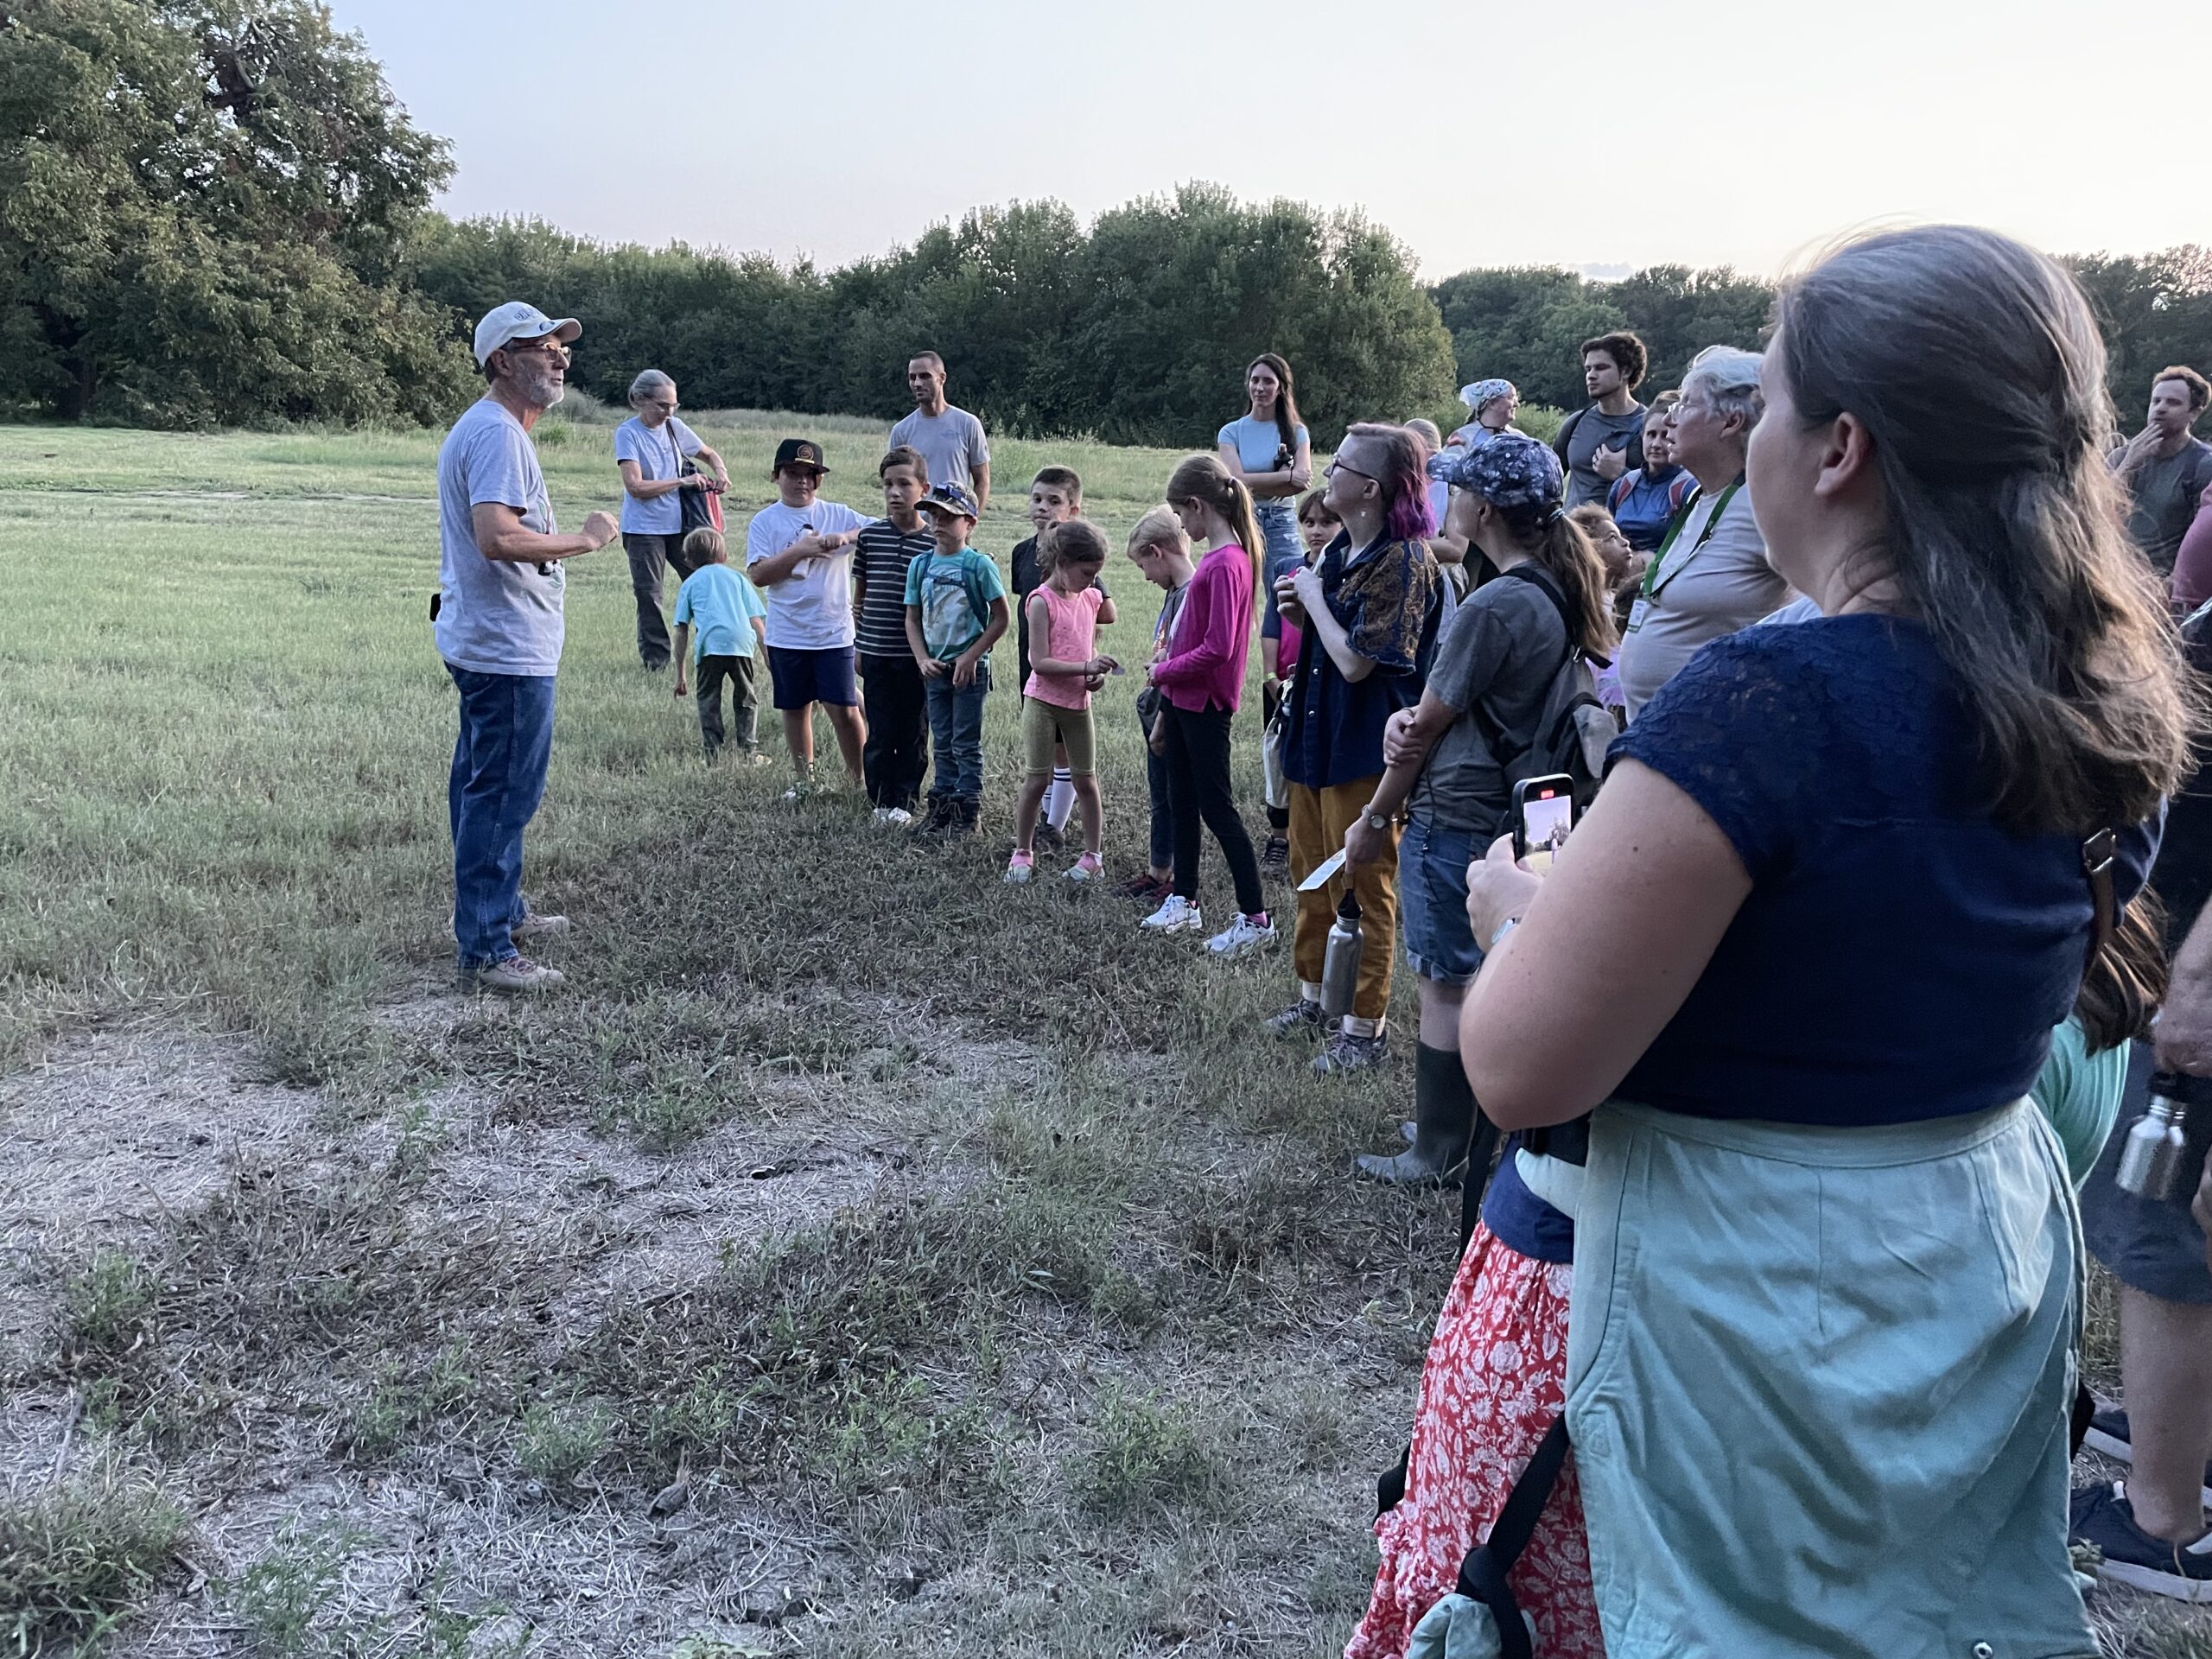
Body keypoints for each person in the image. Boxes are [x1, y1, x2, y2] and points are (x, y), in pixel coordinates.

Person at [1438, 224, 2183, 1656]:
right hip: (1962, 1283)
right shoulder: (2106, 695)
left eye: (1769, 399)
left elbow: (1524, 1072)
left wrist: (1519, 917)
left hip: (1713, 1313)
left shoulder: (1768, 705)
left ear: (1839, 448)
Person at [1344, 435, 1615, 1186]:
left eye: (1457, 490)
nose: (1447, 501)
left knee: (1445, 983)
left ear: (1484, 508)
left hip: (1459, 809)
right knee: (1485, 970)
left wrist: (1373, 818)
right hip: (1522, 808)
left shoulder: (1493, 604)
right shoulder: (1554, 590)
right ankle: (1458, 1124)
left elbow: (1425, 728)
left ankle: (1437, 1150)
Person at [2070, 597, 2212, 1599]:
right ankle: (2188, 1445)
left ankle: (2164, 1524)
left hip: (2198, 963)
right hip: (2185, 937)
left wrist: (2201, 976)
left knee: (2155, 1224)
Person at [434, 302, 617, 995]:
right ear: (502, 362)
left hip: (491, 640)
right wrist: (586, 539)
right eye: (541, 347)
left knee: (484, 784)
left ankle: (500, 911)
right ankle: (485, 947)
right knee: (503, 793)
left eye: (560, 346)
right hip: (505, 649)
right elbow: (498, 538)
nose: (559, 356)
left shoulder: (495, 429)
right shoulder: (498, 435)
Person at [1269, 425, 1442, 1075]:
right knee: (1310, 874)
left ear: (1368, 487)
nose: (1326, 471)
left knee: (1364, 888)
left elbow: (1359, 667)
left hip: (1364, 751)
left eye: (1339, 465)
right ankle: (1314, 999)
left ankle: (1363, 1029)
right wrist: (1300, 612)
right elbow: (1323, 642)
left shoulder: (1403, 559)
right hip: (1314, 740)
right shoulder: (1341, 548)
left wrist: (1312, 600)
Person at [1141, 455, 1275, 957]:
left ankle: (1256, 917)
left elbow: (1219, 648)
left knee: (1217, 809)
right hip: (1182, 701)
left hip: (1204, 705)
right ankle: (1184, 900)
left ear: (1198, 506)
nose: (1181, 524)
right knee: (1182, 801)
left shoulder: (1225, 563)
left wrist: (1164, 671)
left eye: (1181, 514)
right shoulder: (1222, 559)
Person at [1614, 346, 1788, 720]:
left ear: (1730, 423)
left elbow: (1825, 606)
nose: (1670, 420)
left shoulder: (1766, 505)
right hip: (1655, 730)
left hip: (1714, 739)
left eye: (1686, 405)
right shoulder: (1697, 495)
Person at [745, 438, 869, 801]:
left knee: (845, 709)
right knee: (795, 709)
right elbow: (759, 574)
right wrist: (799, 550)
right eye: (793, 473)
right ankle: (805, 780)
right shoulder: (765, 521)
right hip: (787, 633)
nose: (801, 481)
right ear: (776, 476)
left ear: (819, 480)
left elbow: (881, 529)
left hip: (833, 632)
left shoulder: (839, 514)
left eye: (810, 475)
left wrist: (846, 536)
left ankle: (857, 780)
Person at [1007, 521, 1118, 885]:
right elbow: (1039, 661)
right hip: (1043, 702)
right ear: (1062, 561)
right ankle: (1023, 851)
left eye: (1097, 574)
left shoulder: (1089, 599)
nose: (1092, 581)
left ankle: (1093, 856)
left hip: (1077, 705)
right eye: (1087, 573)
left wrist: (1094, 674)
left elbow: (1085, 647)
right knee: (1037, 780)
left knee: (1086, 780)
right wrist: (1085, 666)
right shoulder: (1040, 601)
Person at [903, 480, 1009, 837]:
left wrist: (970, 657)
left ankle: (968, 812)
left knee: (965, 742)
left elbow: (1001, 618)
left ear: (970, 522)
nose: (938, 522)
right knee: (942, 739)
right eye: (932, 514)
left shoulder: (978, 565)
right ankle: (942, 807)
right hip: (934, 669)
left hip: (969, 671)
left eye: (948, 516)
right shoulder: (920, 565)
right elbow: (912, 618)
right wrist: (921, 659)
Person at [613, 369, 728, 671]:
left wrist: (721, 472)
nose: (669, 412)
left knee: (703, 583)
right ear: (640, 400)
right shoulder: (629, 433)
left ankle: (717, 649)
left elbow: (709, 453)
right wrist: (682, 482)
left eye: (673, 405)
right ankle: (658, 662)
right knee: (650, 596)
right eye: (662, 405)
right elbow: (635, 487)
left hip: (682, 528)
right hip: (643, 530)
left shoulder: (675, 427)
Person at [1259, 493, 1343, 875]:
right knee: (1278, 758)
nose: (1316, 531)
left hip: (1320, 680)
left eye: (1326, 522)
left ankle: (1318, 836)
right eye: (1309, 523)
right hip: (1283, 681)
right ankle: (1279, 836)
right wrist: (1270, 675)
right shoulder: (1287, 566)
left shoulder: (1341, 571)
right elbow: (1272, 624)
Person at [1118, 507, 1198, 906]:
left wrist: (1163, 715)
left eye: (1143, 565)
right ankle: (1158, 870)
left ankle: (1180, 876)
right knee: (1160, 794)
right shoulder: (1174, 593)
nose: (1145, 576)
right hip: (1157, 704)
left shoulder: (1192, 594)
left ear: (1157, 552)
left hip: (1174, 711)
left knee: (1178, 796)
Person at [853, 448, 937, 823]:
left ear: (924, 488)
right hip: (875, 651)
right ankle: (881, 800)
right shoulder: (870, 537)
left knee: (914, 732)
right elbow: (860, 597)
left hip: (916, 657)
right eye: (888, 484)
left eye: (904, 484)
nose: (895, 492)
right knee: (881, 731)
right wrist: (858, 644)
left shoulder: (935, 543)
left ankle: (905, 800)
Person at [1217, 353, 1314, 675]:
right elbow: (1235, 482)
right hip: (1241, 521)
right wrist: (1285, 478)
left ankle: (1289, 666)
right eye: (1255, 380)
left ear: (1281, 388)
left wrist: (1260, 482)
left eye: (1268, 381)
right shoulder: (1231, 432)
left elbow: (1303, 481)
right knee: (1233, 598)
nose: (1260, 387)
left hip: (1281, 522)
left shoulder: (1296, 432)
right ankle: (1226, 665)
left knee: (1288, 590)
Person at [1009, 467, 1088, 849]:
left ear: (1073, 510)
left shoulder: (1074, 555)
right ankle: (1044, 819)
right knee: (1039, 747)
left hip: (1067, 667)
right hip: (1032, 664)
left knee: (1062, 751)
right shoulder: (1021, 553)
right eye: (1037, 498)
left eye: (1054, 501)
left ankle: (1053, 826)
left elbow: (1101, 606)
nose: (1042, 507)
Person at [670, 527, 767, 760]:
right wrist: (767, 654)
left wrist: (681, 675)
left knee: (708, 698)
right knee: (746, 697)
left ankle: (712, 752)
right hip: (740, 644)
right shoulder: (737, 579)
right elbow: (756, 621)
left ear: (689, 559)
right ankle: (749, 750)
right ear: (724, 555)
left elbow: (681, 629)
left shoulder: (690, 583)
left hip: (709, 646)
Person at [2108, 365, 2212, 579]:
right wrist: (2129, 465)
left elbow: (2202, 542)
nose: (2160, 408)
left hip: (2164, 590)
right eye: (2156, 401)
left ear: (2194, 413)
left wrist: (2173, 587)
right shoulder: (2120, 457)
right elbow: (2090, 516)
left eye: (2173, 402)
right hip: (2111, 580)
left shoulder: (2202, 464)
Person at [1554, 332, 1648, 508]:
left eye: (1601, 368)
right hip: (1573, 533)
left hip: (1624, 534)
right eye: (1588, 369)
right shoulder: (1575, 423)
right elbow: (1549, 481)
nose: (1591, 375)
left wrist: (1622, 474)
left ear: (1626, 371)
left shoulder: (1651, 428)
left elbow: (1666, 493)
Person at [888, 351, 990, 512]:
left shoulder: (968, 424)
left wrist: (970, 520)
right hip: (915, 527)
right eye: (912, 377)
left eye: (925, 376)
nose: (917, 383)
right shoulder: (901, 431)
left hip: (953, 522)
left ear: (942, 378)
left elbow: (982, 480)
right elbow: (893, 484)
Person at [1603, 387, 1696, 553]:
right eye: (1651, 435)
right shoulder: (1624, 486)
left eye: (1665, 436)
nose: (1656, 444)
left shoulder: (1689, 488)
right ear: (1642, 436)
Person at [1567, 503, 1638, 720]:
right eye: (1612, 538)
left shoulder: (1623, 599)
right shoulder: (1578, 600)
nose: (1626, 543)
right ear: (1589, 547)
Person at [1446, 378, 1521, 451]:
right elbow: (1449, 462)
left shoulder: (1518, 437)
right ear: (1492, 403)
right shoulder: (1463, 436)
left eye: (1516, 400)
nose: (1516, 404)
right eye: (1511, 398)